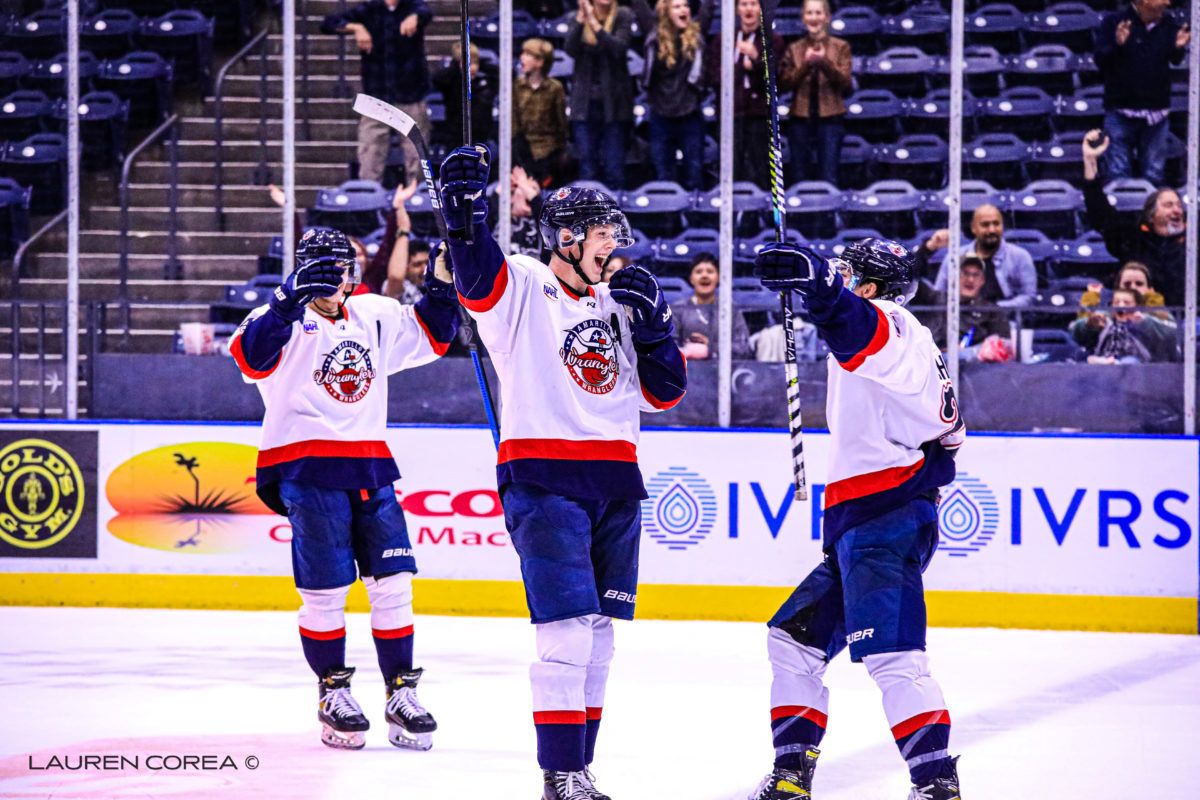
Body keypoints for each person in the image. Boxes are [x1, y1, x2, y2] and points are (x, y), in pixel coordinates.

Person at [437, 145, 687, 799]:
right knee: (567, 634)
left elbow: (666, 393)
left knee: (600, 638)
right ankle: (560, 774)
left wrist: (658, 326)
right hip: (544, 478)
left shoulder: (621, 302)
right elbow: (476, 278)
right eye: (604, 234)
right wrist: (461, 215)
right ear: (568, 237)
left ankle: (578, 768)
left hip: (616, 483)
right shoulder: (523, 284)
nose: (613, 246)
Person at [748, 238, 966, 800]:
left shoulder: (892, 324)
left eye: (847, 275)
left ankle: (937, 785)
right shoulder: (905, 338)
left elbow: (863, 334)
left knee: (895, 656)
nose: (839, 279)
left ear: (868, 289)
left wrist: (821, 292)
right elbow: (951, 435)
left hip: (883, 520)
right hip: (870, 521)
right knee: (793, 641)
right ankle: (792, 780)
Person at [228, 228, 459, 752]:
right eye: (324, 266)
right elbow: (249, 358)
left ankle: (401, 692)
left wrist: (443, 286)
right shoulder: (281, 315)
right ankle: (333, 691)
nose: (336, 275)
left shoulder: (374, 313)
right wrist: (286, 301)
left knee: (394, 582)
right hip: (306, 465)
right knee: (327, 588)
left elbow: (433, 334)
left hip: (370, 463)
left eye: (344, 265)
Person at [322, 0, 433, 183]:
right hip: (376, 94)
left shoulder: (413, 6)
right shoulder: (369, 10)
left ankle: (418, 198)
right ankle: (370, 198)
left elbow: (425, 12)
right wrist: (355, 27)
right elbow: (328, 23)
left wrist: (415, 18)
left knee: (417, 152)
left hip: (410, 91)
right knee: (370, 150)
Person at [1082, 129, 1187, 306]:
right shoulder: (1134, 239)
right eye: (1168, 205)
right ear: (1151, 215)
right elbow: (1100, 214)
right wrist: (1090, 160)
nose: (1177, 210)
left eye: (1178, 205)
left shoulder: (1193, 243)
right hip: (1135, 320)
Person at [1093, 0, 1190, 184]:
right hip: (1121, 112)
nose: (1167, 2)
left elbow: (1175, 60)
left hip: (1157, 114)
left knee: (1154, 175)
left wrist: (1178, 47)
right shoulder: (1114, 22)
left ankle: (1150, 212)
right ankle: (1120, 212)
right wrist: (1117, 44)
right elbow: (1100, 61)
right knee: (1117, 173)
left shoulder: (1169, 25)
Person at [704, 0, 782, 189]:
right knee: (733, 166)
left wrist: (756, 60)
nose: (749, 9)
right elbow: (714, 77)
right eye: (744, 4)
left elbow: (776, 79)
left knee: (761, 167)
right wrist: (739, 67)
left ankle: (762, 214)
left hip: (760, 115)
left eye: (753, 4)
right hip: (731, 115)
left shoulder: (772, 40)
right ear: (737, 9)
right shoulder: (723, 40)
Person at [779, 0, 852, 186]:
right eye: (809, 13)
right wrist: (806, 64)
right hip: (800, 118)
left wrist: (823, 62)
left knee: (829, 175)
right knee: (799, 175)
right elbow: (785, 83)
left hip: (831, 117)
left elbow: (845, 83)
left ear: (827, 17)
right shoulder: (794, 48)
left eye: (818, 13)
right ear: (803, 18)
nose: (814, 18)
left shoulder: (841, 47)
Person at [564, 0, 635, 190]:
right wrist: (581, 21)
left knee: (614, 167)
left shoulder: (623, 15)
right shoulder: (575, 17)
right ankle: (588, 214)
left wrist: (593, 23)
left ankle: (615, 215)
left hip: (615, 104)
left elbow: (618, 48)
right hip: (584, 105)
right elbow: (570, 49)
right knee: (587, 166)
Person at [914, 205, 1039, 307]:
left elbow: (1029, 298)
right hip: (962, 323)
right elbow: (940, 295)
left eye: (996, 224)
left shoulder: (1020, 256)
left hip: (1008, 323)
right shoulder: (954, 258)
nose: (992, 230)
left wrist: (993, 310)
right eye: (985, 225)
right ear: (974, 228)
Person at [642, 0, 707, 190]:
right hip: (661, 116)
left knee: (694, 176)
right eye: (677, 6)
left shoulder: (697, 35)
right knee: (663, 176)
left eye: (686, 5)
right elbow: (639, 6)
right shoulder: (654, 37)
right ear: (666, 12)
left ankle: (695, 218)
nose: (684, 9)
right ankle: (668, 219)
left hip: (690, 115)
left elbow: (708, 7)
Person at [916, 256, 1014, 362]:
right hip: (930, 364)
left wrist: (967, 353)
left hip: (973, 371)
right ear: (954, 277)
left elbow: (1003, 347)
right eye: (965, 273)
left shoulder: (992, 311)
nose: (970, 279)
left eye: (976, 275)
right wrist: (927, 249)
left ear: (982, 280)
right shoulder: (933, 299)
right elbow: (911, 276)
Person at [670, 252, 753, 360]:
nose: (704, 276)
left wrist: (711, 347)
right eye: (699, 272)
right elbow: (667, 347)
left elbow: (744, 348)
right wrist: (688, 350)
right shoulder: (678, 309)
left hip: (724, 372)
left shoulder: (730, 309)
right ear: (691, 279)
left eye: (710, 271)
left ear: (718, 277)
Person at [514, 38, 571, 186]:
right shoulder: (516, 86)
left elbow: (560, 123)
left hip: (549, 150)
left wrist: (558, 149)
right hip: (523, 149)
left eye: (527, 54)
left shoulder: (555, 88)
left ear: (540, 62)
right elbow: (514, 122)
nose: (522, 57)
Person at [1069, 286, 1179, 363]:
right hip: (1104, 364)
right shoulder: (1105, 320)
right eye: (1116, 302)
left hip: (1137, 369)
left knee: (1130, 361)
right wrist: (1088, 325)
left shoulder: (1145, 321)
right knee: (1088, 359)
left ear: (1138, 306)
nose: (1121, 305)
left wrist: (1144, 323)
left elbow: (1171, 335)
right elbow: (1076, 332)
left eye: (1126, 303)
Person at [432, 42, 499, 146]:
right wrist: (456, 65)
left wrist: (482, 64)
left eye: (475, 63)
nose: (472, 68)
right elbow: (437, 78)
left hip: (481, 138)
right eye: (468, 63)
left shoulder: (485, 83)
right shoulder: (451, 82)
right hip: (457, 137)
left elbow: (507, 74)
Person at [1078, 261, 1172, 322]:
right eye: (1127, 284)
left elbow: (1169, 331)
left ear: (1149, 289)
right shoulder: (1106, 313)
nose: (1133, 287)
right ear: (1118, 287)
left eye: (1139, 284)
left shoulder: (1165, 314)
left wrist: (1154, 302)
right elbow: (1079, 328)